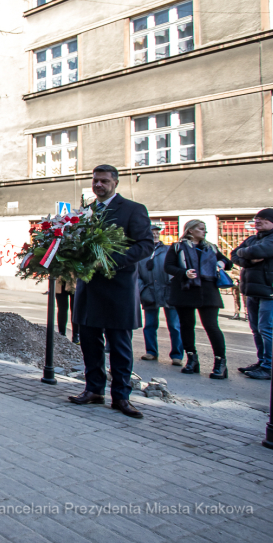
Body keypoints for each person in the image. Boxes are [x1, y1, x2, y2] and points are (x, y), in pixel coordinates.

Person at [69, 165, 154, 419]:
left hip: (118, 288)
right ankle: (93, 389)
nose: (99, 185)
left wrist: (109, 261)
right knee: (90, 342)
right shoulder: (86, 211)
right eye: (95, 181)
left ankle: (121, 397)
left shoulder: (133, 210)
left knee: (119, 345)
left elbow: (145, 245)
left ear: (115, 183)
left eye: (104, 181)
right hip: (89, 288)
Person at [230, 209, 273, 380]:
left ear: (272, 221)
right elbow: (234, 255)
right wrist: (248, 258)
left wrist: (248, 254)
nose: (257, 222)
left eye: (261, 219)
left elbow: (256, 252)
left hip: (271, 292)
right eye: (256, 219)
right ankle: (262, 361)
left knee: (267, 329)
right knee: (257, 329)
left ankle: (271, 366)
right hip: (252, 290)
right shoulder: (254, 239)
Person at [163, 220, 232, 379]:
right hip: (185, 289)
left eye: (205, 229)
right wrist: (184, 273)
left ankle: (220, 363)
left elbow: (227, 262)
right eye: (201, 229)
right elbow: (168, 266)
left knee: (211, 326)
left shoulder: (211, 247)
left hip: (208, 290)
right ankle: (192, 359)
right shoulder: (177, 247)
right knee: (186, 325)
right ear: (190, 231)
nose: (204, 232)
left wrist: (221, 263)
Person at [138, 222, 183, 365]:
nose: (155, 234)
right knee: (150, 324)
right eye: (152, 232)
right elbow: (137, 274)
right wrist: (142, 289)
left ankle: (177, 355)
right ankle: (151, 352)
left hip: (169, 291)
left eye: (157, 232)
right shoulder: (142, 252)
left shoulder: (169, 250)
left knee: (175, 325)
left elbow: (176, 268)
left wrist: (175, 286)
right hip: (149, 292)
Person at [54, 276, 78, 343]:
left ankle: (76, 334)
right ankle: (61, 333)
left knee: (75, 309)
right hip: (60, 279)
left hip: (74, 281)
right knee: (62, 309)